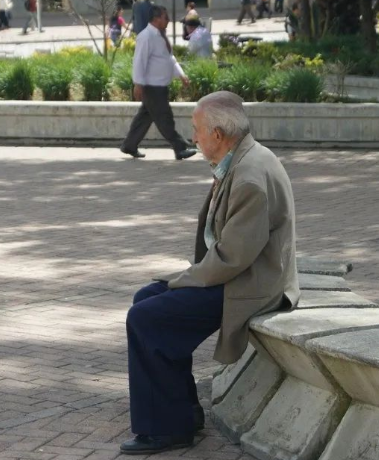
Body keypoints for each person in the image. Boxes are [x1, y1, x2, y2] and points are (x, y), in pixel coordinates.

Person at [120, 90, 299, 455]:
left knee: (146, 317)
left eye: (197, 129)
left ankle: (167, 429)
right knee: (146, 301)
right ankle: (182, 411)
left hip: (253, 283)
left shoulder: (249, 174)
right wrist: (182, 280)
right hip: (240, 272)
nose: (194, 137)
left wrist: (183, 280)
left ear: (218, 134)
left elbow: (233, 257)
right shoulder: (240, 157)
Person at [120, 6, 197, 160]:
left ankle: (129, 145)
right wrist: (138, 84)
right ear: (156, 19)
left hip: (159, 86)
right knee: (164, 117)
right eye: (165, 17)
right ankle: (180, 148)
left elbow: (169, 58)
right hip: (152, 87)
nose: (168, 20)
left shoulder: (160, 36)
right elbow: (139, 62)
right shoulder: (146, 36)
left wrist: (181, 75)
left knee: (144, 118)